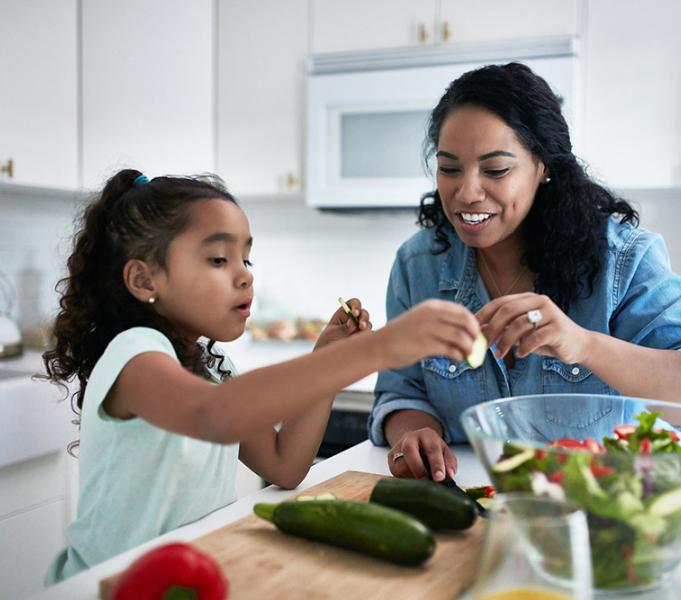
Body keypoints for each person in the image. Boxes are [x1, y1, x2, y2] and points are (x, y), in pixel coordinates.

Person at [42, 169, 481, 583]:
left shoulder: (214, 368)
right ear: (143, 279)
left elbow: (284, 464)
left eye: (247, 261)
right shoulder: (135, 353)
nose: (244, 278)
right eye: (218, 259)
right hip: (104, 584)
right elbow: (214, 416)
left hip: (185, 572)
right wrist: (380, 347)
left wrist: (328, 357)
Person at [368, 62, 681, 483]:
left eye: (496, 170)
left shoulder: (623, 260)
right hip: (463, 507)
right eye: (449, 168)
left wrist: (585, 345)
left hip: (593, 512)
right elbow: (401, 390)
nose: (466, 192)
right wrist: (415, 431)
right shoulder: (417, 265)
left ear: (543, 166)